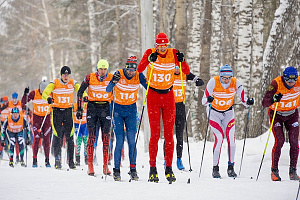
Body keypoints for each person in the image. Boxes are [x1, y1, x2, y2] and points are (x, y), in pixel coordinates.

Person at [137, 32, 190, 183]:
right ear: (156, 45)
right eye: (159, 45)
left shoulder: (173, 53)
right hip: (153, 96)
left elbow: (185, 71)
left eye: (164, 45)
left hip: (168, 96)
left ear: (167, 44)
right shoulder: (150, 53)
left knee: (168, 134)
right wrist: (149, 60)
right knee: (155, 134)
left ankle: (169, 168)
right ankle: (152, 169)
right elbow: (140, 69)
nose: (162, 48)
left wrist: (182, 61)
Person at [201, 64, 254, 178]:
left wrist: (248, 102)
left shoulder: (236, 83)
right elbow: (204, 101)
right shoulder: (213, 82)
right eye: (224, 78)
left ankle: (231, 168)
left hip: (228, 113)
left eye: (229, 78)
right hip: (213, 113)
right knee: (219, 138)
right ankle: (215, 168)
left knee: (231, 138)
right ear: (220, 76)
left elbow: (244, 100)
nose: (226, 80)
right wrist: (209, 99)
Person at [106, 56, 147, 181]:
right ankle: (116, 170)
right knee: (119, 141)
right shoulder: (118, 73)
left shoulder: (138, 75)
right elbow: (108, 89)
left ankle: (133, 169)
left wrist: (149, 83)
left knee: (131, 141)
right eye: (129, 69)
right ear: (126, 67)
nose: (130, 72)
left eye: (133, 70)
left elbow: (149, 87)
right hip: (117, 110)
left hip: (130, 110)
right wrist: (113, 82)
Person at [42, 66, 86, 170]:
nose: (66, 77)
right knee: (57, 136)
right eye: (64, 75)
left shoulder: (73, 83)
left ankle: (71, 161)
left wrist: (85, 96)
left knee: (70, 136)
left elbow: (81, 91)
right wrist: (48, 98)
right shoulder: (54, 82)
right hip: (57, 111)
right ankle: (57, 160)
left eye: (67, 75)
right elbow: (45, 93)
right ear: (61, 75)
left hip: (67, 112)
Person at [262, 66, 300, 181]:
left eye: (294, 80)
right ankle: (274, 171)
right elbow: (264, 103)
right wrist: (273, 99)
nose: (291, 83)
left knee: (294, 141)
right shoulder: (276, 83)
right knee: (280, 141)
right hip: (276, 114)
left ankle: (293, 171)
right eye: (288, 80)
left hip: (292, 114)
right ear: (284, 78)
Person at [76, 59, 113, 176]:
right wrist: (79, 108)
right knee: (91, 137)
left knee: (106, 138)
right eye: (101, 69)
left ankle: (105, 165)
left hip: (105, 108)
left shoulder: (112, 77)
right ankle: (90, 165)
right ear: (97, 69)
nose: (103, 71)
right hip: (92, 108)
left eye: (105, 69)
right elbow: (80, 92)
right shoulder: (89, 77)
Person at [165, 66, 204, 170]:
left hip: (180, 107)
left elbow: (195, 78)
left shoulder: (184, 74)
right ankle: (166, 159)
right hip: (169, 106)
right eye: (175, 68)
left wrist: (199, 81)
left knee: (180, 135)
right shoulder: (168, 75)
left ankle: (179, 159)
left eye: (178, 68)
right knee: (168, 135)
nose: (177, 70)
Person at [21, 81, 52, 168]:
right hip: (37, 119)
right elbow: (24, 102)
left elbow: (56, 102)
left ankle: (47, 160)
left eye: (45, 91)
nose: (43, 93)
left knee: (46, 140)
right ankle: (34, 159)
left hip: (46, 118)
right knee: (37, 139)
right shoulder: (34, 93)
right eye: (42, 90)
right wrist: (25, 94)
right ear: (39, 89)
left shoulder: (50, 93)